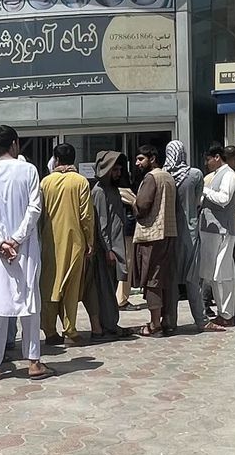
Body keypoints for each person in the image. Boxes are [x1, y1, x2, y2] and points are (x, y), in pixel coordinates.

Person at [0, 126, 48, 380]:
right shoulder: (29, 170)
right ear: (15, 144)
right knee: (29, 303)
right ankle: (34, 362)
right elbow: (34, 208)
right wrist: (16, 239)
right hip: (24, 248)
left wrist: (0, 242)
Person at [38, 143, 94, 347]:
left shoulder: (45, 182)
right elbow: (86, 216)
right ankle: (70, 330)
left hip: (49, 241)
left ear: (56, 159)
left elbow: (39, 214)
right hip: (74, 241)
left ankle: (50, 331)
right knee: (71, 286)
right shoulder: (80, 182)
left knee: (49, 285)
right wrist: (90, 241)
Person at [82, 150, 133, 340]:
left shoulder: (112, 189)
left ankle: (112, 324)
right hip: (107, 251)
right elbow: (101, 224)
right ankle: (108, 326)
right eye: (115, 169)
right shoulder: (99, 192)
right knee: (104, 289)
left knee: (111, 288)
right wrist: (108, 250)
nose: (118, 173)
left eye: (120, 169)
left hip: (116, 248)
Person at [130, 144, 180, 336]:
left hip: (152, 234)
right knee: (163, 279)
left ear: (152, 159)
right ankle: (164, 320)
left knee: (152, 280)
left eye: (141, 159)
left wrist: (131, 201)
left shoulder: (152, 178)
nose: (137, 163)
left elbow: (142, 205)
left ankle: (154, 324)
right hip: (168, 233)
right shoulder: (168, 176)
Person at [164, 141, 209, 330]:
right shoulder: (195, 174)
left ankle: (170, 322)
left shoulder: (163, 175)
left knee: (171, 279)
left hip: (168, 233)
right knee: (192, 278)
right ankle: (201, 320)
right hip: (190, 232)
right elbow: (198, 201)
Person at [197, 143, 235, 330]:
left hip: (222, 231)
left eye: (208, 159)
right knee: (213, 275)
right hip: (211, 231)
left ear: (216, 157)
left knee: (223, 274)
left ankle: (227, 314)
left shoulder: (229, 175)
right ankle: (223, 313)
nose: (206, 164)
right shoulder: (216, 176)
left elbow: (224, 199)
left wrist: (204, 190)